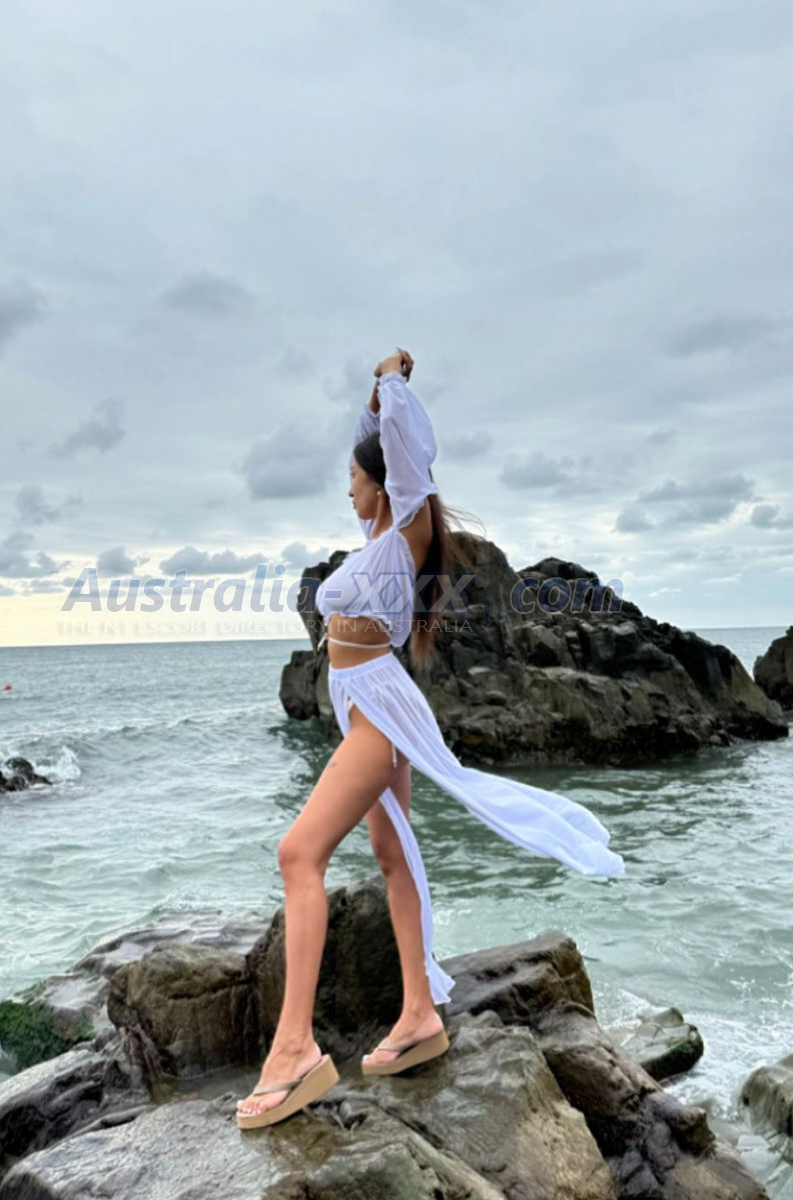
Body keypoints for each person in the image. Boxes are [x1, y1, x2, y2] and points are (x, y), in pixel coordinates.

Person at [236, 349, 625, 1129]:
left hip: (378, 711)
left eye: (353, 477)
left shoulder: (405, 535)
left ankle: (294, 1050)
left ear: (383, 485)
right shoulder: (376, 541)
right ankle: (417, 1013)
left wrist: (391, 384)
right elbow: (376, 444)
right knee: (391, 854)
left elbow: (402, 457)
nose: (347, 487)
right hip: (362, 702)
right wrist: (371, 399)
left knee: (297, 855)